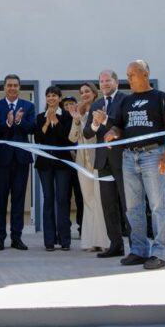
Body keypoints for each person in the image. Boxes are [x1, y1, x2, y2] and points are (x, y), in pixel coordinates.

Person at [105, 60, 165, 271]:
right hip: (129, 157)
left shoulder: (161, 98)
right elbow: (120, 127)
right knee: (133, 207)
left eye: (132, 75)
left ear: (145, 74)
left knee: (157, 205)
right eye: (127, 75)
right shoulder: (126, 101)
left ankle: (159, 253)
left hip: (153, 155)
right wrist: (112, 133)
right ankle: (138, 250)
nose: (129, 79)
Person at [0, 74, 36, 251]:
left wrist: (18, 121)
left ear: (19, 88)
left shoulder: (28, 106)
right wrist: (8, 123)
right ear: (4, 87)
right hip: (1, 160)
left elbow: (32, 128)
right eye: (9, 85)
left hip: (21, 160)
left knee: (19, 199)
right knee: (0, 200)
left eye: (15, 85)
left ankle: (16, 237)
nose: (12, 88)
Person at [84, 69, 128, 258]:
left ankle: (136, 246)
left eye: (108, 80)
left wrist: (106, 121)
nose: (104, 84)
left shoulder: (126, 100)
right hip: (103, 162)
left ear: (116, 82)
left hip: (123, 160)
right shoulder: (97, 103)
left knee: (128, 204)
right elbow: (87, 133)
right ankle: (115, 244)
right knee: (109, 205)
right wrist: (95, 124)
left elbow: (127, 126)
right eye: (101, 81)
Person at [68, 83, 109, 252]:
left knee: (101, 201)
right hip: (82, 163)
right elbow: (72, 138)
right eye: (81, 92)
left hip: (98, 161)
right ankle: (90, 241)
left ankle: (105, 242)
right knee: (88, 201)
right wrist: (76, 119)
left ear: (94, 93)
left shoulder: (100, 110)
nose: (84, 94)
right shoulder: (79, 113)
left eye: (87, 91)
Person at [33, 86, 75, 251]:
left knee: (62, 199)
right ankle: (49, 241)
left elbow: (67, 139)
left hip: (62, 163)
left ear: (59, 98)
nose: (51, 98)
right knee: (48, 199)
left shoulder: (66, 116)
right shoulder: (39, 117)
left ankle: (65, 240)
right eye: (48, 96)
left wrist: (55, 122)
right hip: (44, 164)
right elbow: (38, 138)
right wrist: (46, 123)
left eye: (54, 96)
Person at [61, 95, 83, 238]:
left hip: (81, 164)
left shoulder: (80, 118)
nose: (69, 106)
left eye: (71, 103)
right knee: (65, 197)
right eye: (66, 104)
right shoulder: (61, 119)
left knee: (81, 197)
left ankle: (82, 227)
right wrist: (70, 152)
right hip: (65, 165)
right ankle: (65, 228)